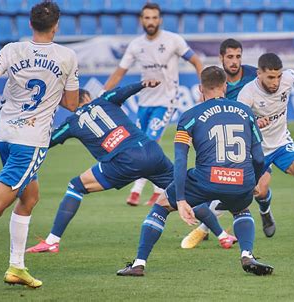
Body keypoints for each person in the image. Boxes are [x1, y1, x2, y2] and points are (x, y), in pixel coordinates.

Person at [25, 82, 237, 254]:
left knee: (76, 186)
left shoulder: (70, 123)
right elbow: (123, 91)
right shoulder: (104, 100)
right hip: (151, 151)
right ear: (88, 97)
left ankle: (52, 241)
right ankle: (223, 236)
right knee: (183, 193)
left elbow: (47, 141)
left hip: (123, 161)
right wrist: (144, 84)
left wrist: (27, 135)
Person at [0, 1, 79, 288]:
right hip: (31, 143)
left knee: (29, 197)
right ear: (56, 25)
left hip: (6, 137)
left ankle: (17, 267)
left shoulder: (12, 49)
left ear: (30, 24)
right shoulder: (67, 56)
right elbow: (71, 103)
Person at [116, 66, 273, 277]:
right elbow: (260, 157)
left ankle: (139, 264)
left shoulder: (190, 116)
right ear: (225, 86)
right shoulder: (245, 112)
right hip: (241, 179)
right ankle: (247, 254)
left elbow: (180, 160)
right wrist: (250, 182)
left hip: (205, 179)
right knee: (242, 208)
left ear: (200, 88)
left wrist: (180, 199)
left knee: (162, 205)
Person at [102, 2, 203, 207]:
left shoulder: (173, 40)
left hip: (166, 101)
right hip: (144, 102)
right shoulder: (136, 45)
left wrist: (204, 89)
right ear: (141, 20)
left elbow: (196, 61)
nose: (151, 21)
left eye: (154, 18)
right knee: (141, 144)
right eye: (147, 18)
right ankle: (159, 189)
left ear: (160, 20)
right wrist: (103, 95)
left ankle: (137, 189)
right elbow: (119, 73)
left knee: (149, 142)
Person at [181, 39, 276, 249]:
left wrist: (259, 119)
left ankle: (265, 211)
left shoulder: (254, 75)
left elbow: (273, 92)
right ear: (221, 58)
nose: (235, 61)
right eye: (230, 57)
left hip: (254, 139)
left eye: (238, 56)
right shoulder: (213, 79)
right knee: (223, 182)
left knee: (258, 190)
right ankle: (210, 229)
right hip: (224, 143)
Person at [238, 53, 294, 241]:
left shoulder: (286, 79)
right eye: (270, 77)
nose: (276, 82)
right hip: (256, 150)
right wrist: (254, 122)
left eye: (278, 76)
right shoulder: (247, 93)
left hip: (281, 144)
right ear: (259, 74)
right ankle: (204, 228)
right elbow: (237, 122)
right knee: (250, 193)